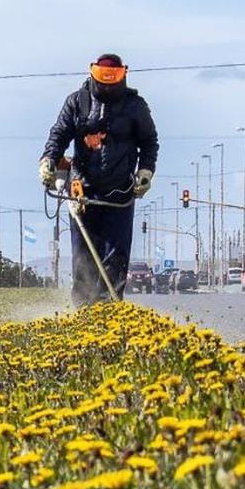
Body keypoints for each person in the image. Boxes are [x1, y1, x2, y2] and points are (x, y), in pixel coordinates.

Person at [39, 54, 159, 306]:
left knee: (115, 255)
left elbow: (149, 142)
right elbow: (59, 133)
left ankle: (110, 309)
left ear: (122, 78)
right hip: (83, 190)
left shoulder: (135, 106)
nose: (106, 88)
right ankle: (83, 309)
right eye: (101, 83)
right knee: (83, 255)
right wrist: (49, 159)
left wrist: (145, 171)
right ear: (92, 76)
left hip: (120, 191)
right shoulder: (76, 102)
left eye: (112, 84)